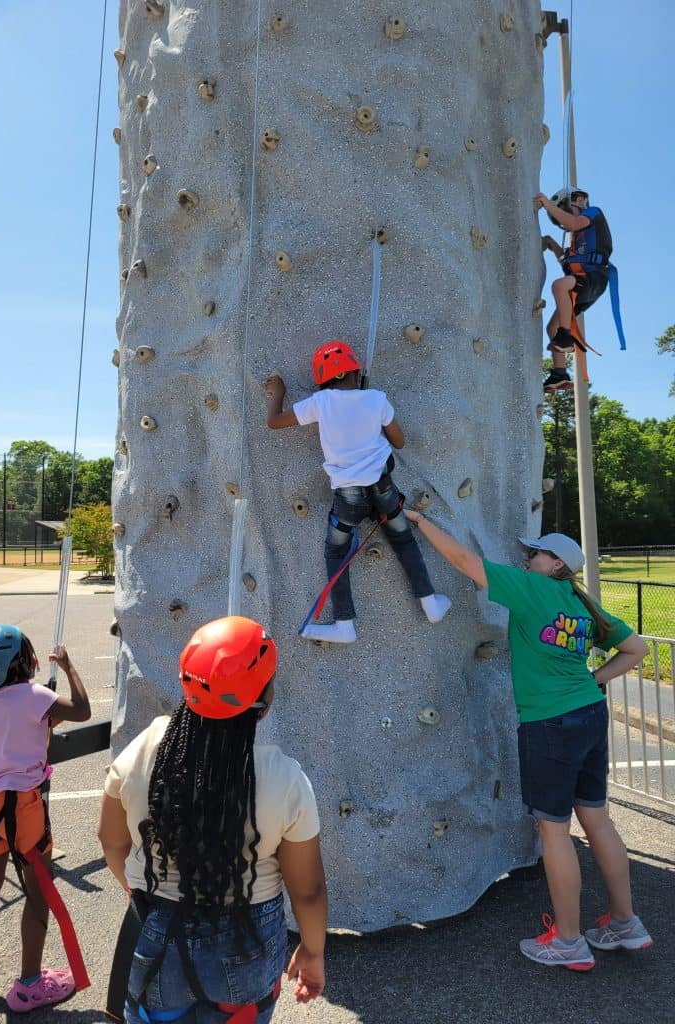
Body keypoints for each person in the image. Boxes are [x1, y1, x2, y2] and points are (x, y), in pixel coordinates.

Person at [402, 512, 653, 970]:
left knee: (554, 831)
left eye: (534, 553)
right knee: (598, 822)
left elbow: (463, 560)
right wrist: (594, 680)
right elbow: (637, 649)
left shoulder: (531, 590)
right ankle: (625, 923)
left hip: (550, 726)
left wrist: (418, 520)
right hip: (590, 717)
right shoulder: (582, 605)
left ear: (556, 564)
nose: (526, 557)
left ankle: (569, 941)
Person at [98, 616, 326, 1023]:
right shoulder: (285, 778)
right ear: (265, 698)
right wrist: (313, 952)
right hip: (247, 942)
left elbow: (111, 840)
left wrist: (134, 891)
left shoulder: (146, 747)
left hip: (156, 928)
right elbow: (306, 891)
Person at [264, 340, 450, 644]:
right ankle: (430, 603)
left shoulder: (320, 402)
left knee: (336, 551)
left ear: (322, 381)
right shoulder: (376, 399)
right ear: (355, 370)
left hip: (348, 498)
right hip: (384, 490)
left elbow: (274, 422)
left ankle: (344, 623)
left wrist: (279, 392)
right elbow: (399, 442)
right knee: (403, 540)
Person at [0, 625, 91, 1009]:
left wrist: (44, 715)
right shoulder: (35, 696)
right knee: (37, 892)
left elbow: (23, 730)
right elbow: (82, 710)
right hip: (22, 807)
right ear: (18, 662)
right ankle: (30, 983)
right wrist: (68, 668)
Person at [535, 188, 612, 392]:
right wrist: (552, 245)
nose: (563, 223)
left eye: (564, 211)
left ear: (578, 200)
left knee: (558, 285)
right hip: (582, 283)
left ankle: (566, 336)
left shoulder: (593, 213)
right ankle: (560, 374)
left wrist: (547, 204)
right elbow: (567, 264)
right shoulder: (576, 240)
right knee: (552, 327)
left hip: (594, 278)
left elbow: (573, 223)